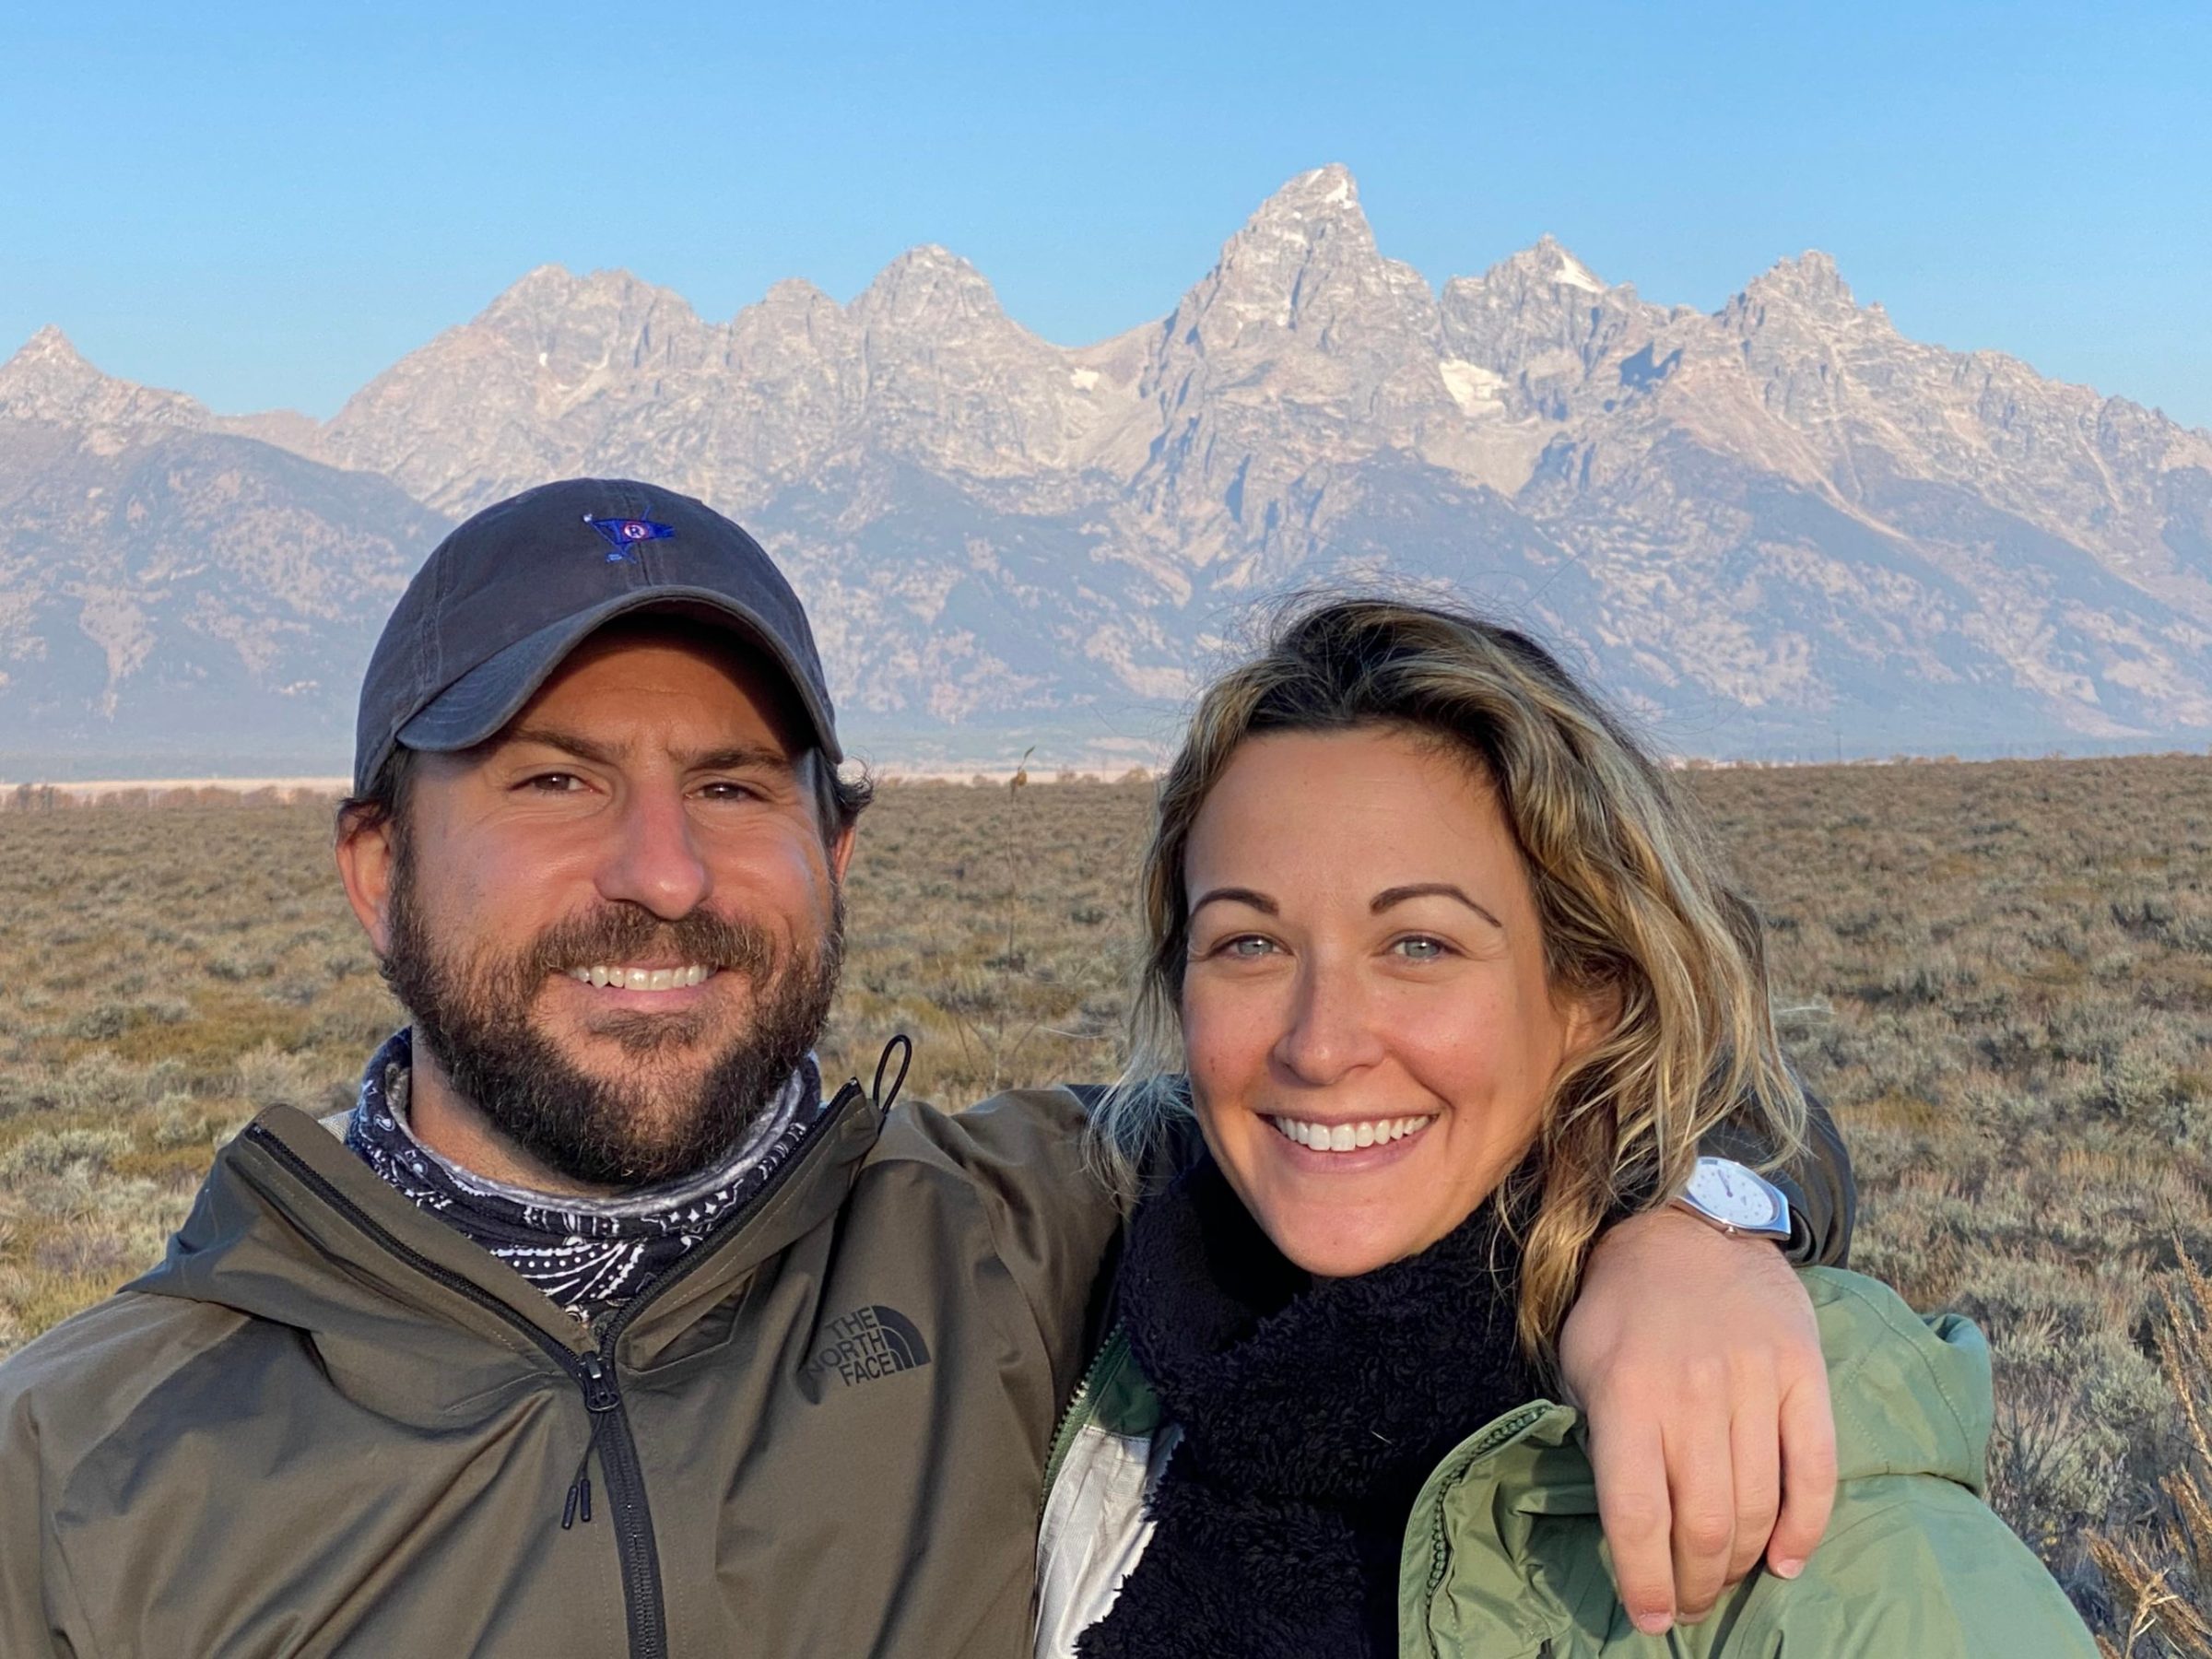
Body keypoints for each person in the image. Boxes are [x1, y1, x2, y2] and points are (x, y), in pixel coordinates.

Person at [2, 483, 1848, 1657]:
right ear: (377, 867)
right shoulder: (77, 1467)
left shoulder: (1026, 1233)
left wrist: (1691, 1224)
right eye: (554, 779)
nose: (662, 873)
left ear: (836, 853)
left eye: (735, 786)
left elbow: (1495, 1095)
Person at [1036, 595, 2097, 1658]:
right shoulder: (1115, 1335)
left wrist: (1698, 1215)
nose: (1319, 1046)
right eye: (1249, 945)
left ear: (1591, 990)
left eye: (1419, 946)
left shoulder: (1841, 1554)